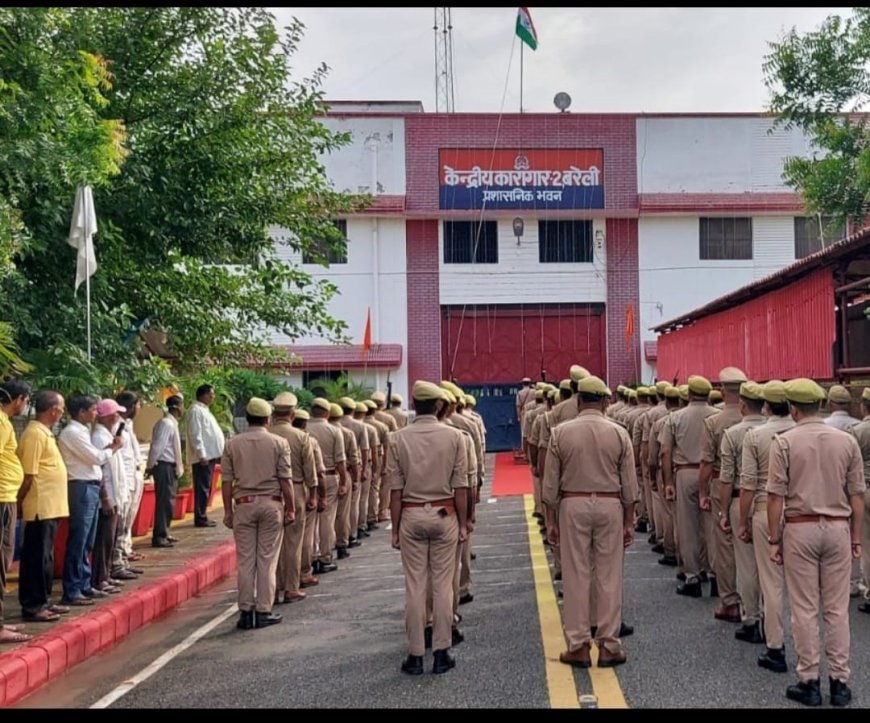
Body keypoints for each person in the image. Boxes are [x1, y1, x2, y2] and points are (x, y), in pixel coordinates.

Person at [767, 378, 864, 707]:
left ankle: (809, 680)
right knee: (836, 610)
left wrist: (773, 539)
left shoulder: (784, 442)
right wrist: (855, 536)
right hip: (838, 525)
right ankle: (839, 681)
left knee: (804, 609)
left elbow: (775, 496)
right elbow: (857, 494)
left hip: (800, 527)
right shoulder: (846, 441)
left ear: (793, 409)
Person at [543, 375, 638, 669]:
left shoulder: (561, 433)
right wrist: (629, 520)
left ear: (579, 400)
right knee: (609, 575)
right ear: (605, 402)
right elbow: (630, 487)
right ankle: (609, 645)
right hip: (610, 504)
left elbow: (549, 487)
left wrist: (551, 522)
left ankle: (579, 645)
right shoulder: (619, 433)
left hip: (573, 503)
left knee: (576, 574)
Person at [388, 381, 468, 676]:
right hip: (444, 511)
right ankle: (442, 651)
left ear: (414, 403)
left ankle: (415, 654)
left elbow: (395, 491)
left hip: (410, 513)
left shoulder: (397, 439)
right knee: (443, 584)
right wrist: (463, 521)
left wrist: (394, 528)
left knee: (415, 586)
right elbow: (461, 486)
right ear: (438, 406)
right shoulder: (455, 437)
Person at [221, 397, 294, 630]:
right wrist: (291, 507)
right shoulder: (279, 443)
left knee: (245, 561)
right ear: (267, 418)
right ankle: (263, 610)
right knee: (266, 560)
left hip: (243, 504)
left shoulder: (232, 444)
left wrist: (227, 511)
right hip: (271, 504)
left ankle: (245, 611)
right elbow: (285, 480)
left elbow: (226, 482)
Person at [738, 380, 795, 673]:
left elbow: (747, 484)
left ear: (766, 406)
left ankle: (775, 645)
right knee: (805, 589)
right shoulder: (803, 434)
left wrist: (742, 520)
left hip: (764, 510)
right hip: (800, 514)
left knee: (771, 583)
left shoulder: (755, 436)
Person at [58, 395, 122, 607]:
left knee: (87, 540)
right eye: (93, 410)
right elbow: (95, 457)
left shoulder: (82, 431)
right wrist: (112, 448)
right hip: (81, 486)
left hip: (90, 486)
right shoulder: (73, 433)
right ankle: (73, 588)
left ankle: (83, 583)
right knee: (79, 538)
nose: (96, 414)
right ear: (82, 412)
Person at [717, 381, 766, 643]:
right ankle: (772, 624)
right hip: (775, 503)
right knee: (771, 570)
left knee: (747, 566)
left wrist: (724, 511)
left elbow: (727, 478)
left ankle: (751, 619)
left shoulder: (734, 434)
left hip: (742, 499)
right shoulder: (777, 431)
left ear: (743, 405)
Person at [17, 391, 68, 622]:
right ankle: (33, 605)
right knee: (36, 557)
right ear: (53, 410)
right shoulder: (34, 434)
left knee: (45, 556)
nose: (63, 412)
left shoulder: (45, 433)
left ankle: (44, 600)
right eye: (61, 407)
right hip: (40, 505)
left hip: (51, 506)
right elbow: (28, 475)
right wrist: (19, 504)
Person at [271, 392, 317, 604]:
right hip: (296, 490)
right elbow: (310, 471)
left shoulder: (268, 433)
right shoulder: (301, 437)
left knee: (272, 545)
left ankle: (274, 586)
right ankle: (291, 586)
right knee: (294, 542)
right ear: (292, 413)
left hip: (271, 493)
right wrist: (313, 495)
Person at [0, 380, 31, 642]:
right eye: (27, 401)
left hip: (6, 496)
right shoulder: (1, 421)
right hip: (2, 499)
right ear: (18, 399)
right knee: (1, 559)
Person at [91, 399, 127, 595]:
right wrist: (106, 498)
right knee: (103, 539)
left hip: (115, 493)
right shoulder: (98, 436)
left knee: (109, 538)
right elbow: (101, 470)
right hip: (108, 496)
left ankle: (105, 575)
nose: (117, 417)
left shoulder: (109, 434)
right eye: (115, 413)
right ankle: (100, 578)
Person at [146, 395, 185, 548]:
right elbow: (157, 447)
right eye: (182, 406)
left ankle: (165, 532)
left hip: (170, 466)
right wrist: (150, 465)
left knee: (169, 501)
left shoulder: (172, 423)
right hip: (163, 465)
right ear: (176, 407)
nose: (183, 409)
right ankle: (160, 535)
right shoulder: (166, 424)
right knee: (164, 501)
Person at [186, 384, 226, 528]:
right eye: (211, 395)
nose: (213, 397)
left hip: (210, 455)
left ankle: (203, 514)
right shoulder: (196, 410)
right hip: (204, 457)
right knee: (202, 487)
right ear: (203, 395)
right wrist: (201, 453)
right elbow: (195, 434)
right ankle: (200, 517)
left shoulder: (204, 410)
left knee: (206, 486)